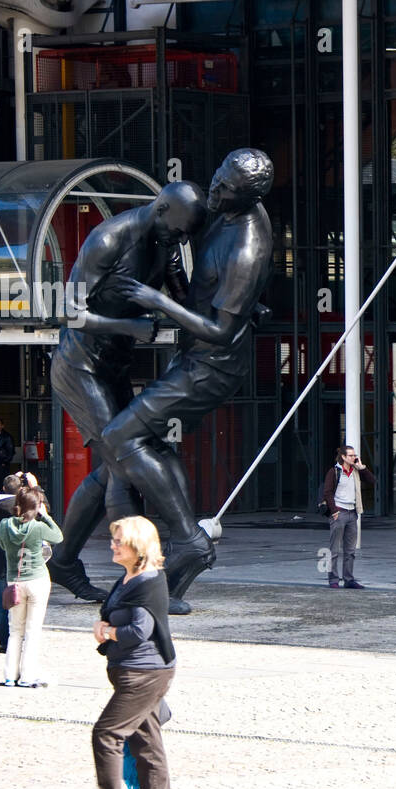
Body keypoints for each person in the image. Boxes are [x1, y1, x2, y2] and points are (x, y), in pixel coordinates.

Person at [97, 149, 275, 612]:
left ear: (248, 197)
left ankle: (188, 539)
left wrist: (157, 300)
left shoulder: (248, 247)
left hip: (212, 367)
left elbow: (220, 330)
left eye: (225, 190)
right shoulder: (223, 208)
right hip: (193, 356)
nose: (215, 191)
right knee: (150, 445)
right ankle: (175, 563)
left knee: (119, 436)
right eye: (216, 179)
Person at [47, 181, 207, 605]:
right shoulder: (108, 239)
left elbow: (186, 298)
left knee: (111, 468)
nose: (180, 240)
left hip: (113, 368)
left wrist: (237, 309)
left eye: (186, 234)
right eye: (178, 230)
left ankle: (63, 560)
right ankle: (138, 581)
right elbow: (70, 311)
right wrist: (130, 327)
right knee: (123, 462)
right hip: (79, 367)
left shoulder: (167, 241)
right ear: (160, 210)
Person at [75, 516, 176, 789]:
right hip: (132, 671)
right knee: (146, 741)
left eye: (119, 540)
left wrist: (109, 632)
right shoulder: (129, 578)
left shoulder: (148, 581)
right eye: (113, 539)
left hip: (144, 673)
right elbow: (113, 614)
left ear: (137, 545)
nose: (113, 544)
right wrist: (102, 626)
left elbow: (138, 630)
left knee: (107, 733)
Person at [0, 479, 64, 688]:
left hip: (14, 581)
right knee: (32, 630)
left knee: (15, 629)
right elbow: (58, 537)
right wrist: (45, 515)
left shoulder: (4, 525)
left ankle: (10, 675)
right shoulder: (38, 527)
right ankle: (27, 675)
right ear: (36, 507)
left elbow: (2, 545)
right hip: (37, 579)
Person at [321, 444, 376, 589]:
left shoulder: (356, 471)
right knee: (334, 549)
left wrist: (362, 467)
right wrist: (334, 511)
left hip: (353, 513)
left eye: (354, 455)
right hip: (339, 512)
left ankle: (349, 579)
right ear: (344, 457)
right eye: (351, 455)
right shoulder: (334, 472)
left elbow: (372, 481)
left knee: (350, 550)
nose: (354, 457)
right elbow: (327, 492)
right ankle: (333, 580)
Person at [0, 473, 24, 652]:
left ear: (3, 489)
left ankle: (3, 642)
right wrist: (35, 487)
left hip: (2, 559)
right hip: (23, 561)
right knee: (24, 605)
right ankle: (20, 640)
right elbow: (43, 507)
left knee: (3, 604)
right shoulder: (25, 505)